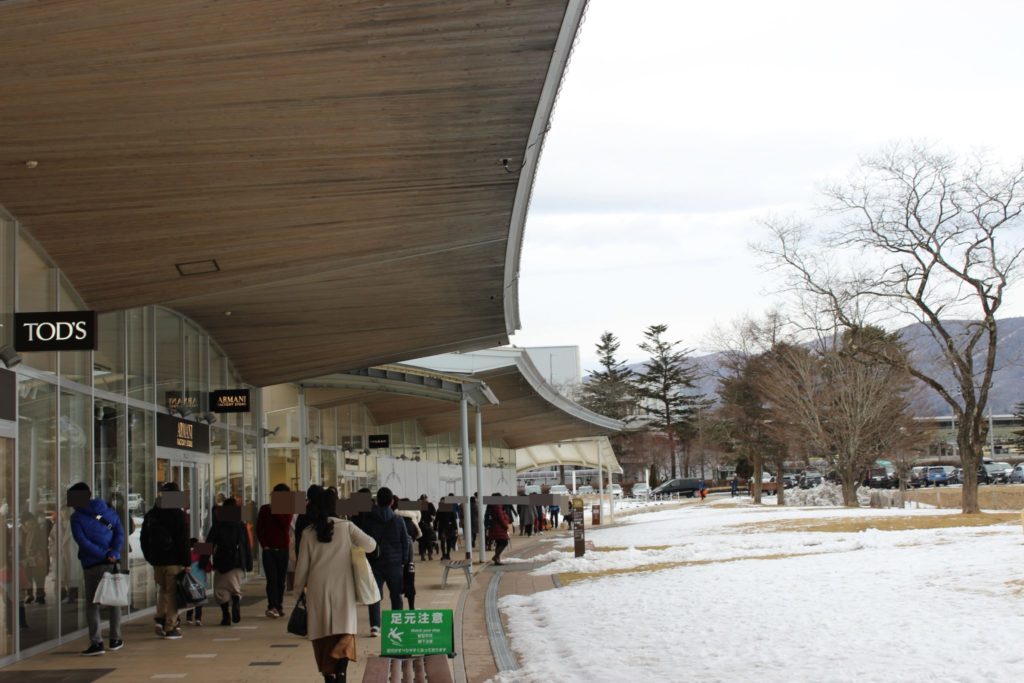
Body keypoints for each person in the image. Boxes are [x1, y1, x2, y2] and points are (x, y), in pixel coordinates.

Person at [294, 488, 377, 683]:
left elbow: (302, 568)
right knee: (345, 632)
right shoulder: (347, 527)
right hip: (344, 588)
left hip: (317, 590)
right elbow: (371, 545)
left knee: (322, 637)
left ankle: (330, 676)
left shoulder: (308, 533)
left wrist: (298, 591)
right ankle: (341, 668)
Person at [68, 482, 125, 656]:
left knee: (93, 604)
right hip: (112, 562)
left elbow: (82, 541)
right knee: (114, 601)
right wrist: (113, 552)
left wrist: (102, 554)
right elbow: (119, 532)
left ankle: (97, 642)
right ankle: (115, 639)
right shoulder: (107, 511)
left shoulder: (77, 517)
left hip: (93, 564)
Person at [140, 482, 190, 640]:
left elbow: (143, 539)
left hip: (157, 562)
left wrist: (150, 557)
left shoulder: (151, 514)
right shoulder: (177, 515)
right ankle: (170, 626)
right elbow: (183, 541)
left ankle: (160, 619)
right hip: (173, 562)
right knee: (173, 594)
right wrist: (186, 562)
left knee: (163, 590)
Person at [363, 487, 409, 637]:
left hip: (375, 562)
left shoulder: (369, 519)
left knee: (374, 595)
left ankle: (375, 626)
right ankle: (398, 621)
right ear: (392, 502)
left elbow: (365, 541)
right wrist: (404, 560)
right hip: (395, 563)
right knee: (396, 595)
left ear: (377, 501)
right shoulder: (398, 520)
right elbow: (405, 542)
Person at [206, 497, 253, 626]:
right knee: (235, 587)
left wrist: (202, 561)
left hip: (222, 560)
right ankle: (236, 599)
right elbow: (246, 545)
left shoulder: (217, 525)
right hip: (238, 561)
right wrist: (248, 563)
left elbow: (208, 543)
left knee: (220, 590)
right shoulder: (241, 525)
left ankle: (225, 615)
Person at [256, 483, 292, 619]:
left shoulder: (288, 509)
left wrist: (276, 509)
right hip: (269, 550)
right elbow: (259, 529)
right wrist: (264, 545)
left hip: (283, 548)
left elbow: (285, 526)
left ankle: (279, 605)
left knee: (280, 580)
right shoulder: (264, 509)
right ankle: (272, 606)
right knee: (271, 579)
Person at [394, 498, 420, 610]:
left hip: (395, 559)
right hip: (409, 560)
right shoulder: (411, 522)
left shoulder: (393, 520)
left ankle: (397, 611)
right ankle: (411, 608)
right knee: (410, 584)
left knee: (395, 587)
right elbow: (416, 535)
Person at [184, 538, 211, 626]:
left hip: (188, 582)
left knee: (190, 599)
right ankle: (198, 619)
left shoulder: (186, 554)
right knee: (199, 600)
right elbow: (208, 568)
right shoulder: (201, 552)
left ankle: (189, 618)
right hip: (200, 581)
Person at [486, 495, 510, 565]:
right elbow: (501, 518)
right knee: (504, 542)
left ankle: (497, 560)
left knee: (499, 543)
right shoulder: (498, 506)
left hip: (495, 528)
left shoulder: (492, 506)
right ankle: (496, 557)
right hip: (499, 528)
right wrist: (506, 526)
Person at [417, 494, 437, 561]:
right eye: (423, 499)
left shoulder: (429, 505)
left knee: (426, 541)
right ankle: (424, 555)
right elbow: (434, 513)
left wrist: (432, 518)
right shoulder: (420, 505)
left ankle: (428, 554)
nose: (424, 500)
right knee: (423, 541)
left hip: (425, 525)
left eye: (425, 498)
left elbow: (434, 513)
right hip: (422, 525)